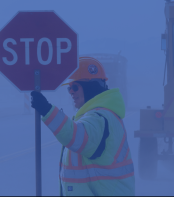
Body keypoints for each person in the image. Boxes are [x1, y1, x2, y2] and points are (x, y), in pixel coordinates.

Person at [30, 56, 135, 196]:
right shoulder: (100, 115)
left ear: (90, 87)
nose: (71, 92)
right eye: (69, 89)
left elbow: (79, 137)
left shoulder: (100, 117)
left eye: (75, 87)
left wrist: (47, 110)